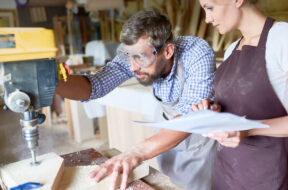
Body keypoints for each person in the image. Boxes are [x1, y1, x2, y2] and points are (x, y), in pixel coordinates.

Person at [56, 10, 217, 190]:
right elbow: (96, 85)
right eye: (128, 57)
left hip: (197, 146)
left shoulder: (196, 53)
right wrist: (53, 82)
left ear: (168, 51)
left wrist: (136, 152)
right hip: (165, 139)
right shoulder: (136, 51)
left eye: (140, 58)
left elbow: (190, 117)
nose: (132, 67)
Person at [192, 0, 288, 189]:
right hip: (224, 171)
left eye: (210, 8)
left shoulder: (286, 38)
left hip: (263, 177)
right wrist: (212, 109)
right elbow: (236, 104)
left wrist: (249, 129)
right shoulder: (231, 49)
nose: (208, 19)